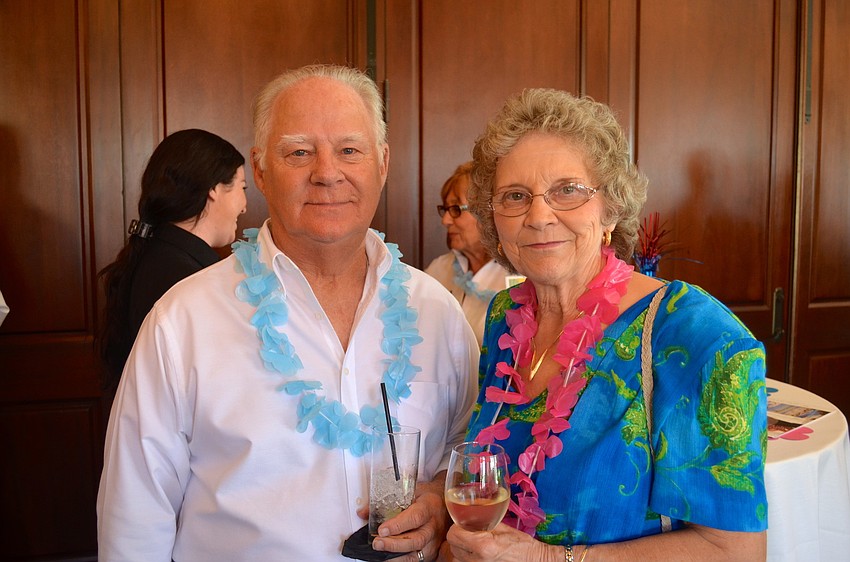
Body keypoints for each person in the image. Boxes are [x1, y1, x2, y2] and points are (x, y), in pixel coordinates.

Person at [97, 64, 478, 562]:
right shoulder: (183, 321)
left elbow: (468, 452)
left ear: (382, 163)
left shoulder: (437, 313)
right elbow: (134, 516)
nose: (326, 172)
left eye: (350, 149)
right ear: (259, 170)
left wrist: (438, 501)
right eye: (299, 152)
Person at [441, 89, 767, 561]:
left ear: (610, 207)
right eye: (515, 196)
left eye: (567, 190)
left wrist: (549, 559)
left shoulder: (697, 336)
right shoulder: (506, 315)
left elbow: (736, 552)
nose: (538, 216)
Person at [96, 129, 247, 390]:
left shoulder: (160, 256)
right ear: (213, 189)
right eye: (242, 188)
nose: (245, 205)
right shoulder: (185, 276)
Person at [425, 162, 513, 345]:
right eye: (445, 209)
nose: (446, 221)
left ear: (487, 211)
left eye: (456, 209)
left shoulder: (519, 274)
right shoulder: (438, 270)